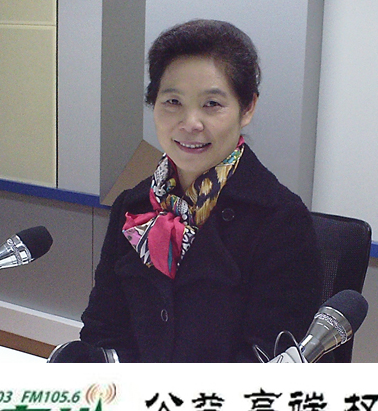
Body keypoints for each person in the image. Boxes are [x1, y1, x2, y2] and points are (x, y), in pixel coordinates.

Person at [79, 19, 322, 362]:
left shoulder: (281, 220)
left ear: (247, 108)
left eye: (212, 104)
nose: (190, 123)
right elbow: (103, 328)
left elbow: (269, 358)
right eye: (172, 101)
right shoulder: (132, 206)